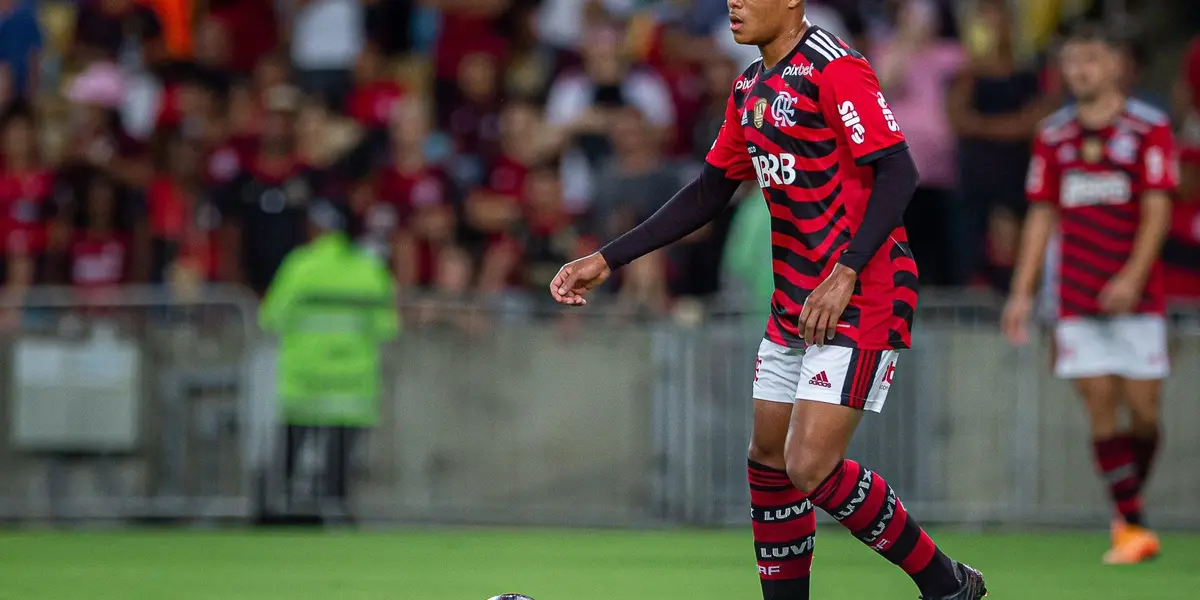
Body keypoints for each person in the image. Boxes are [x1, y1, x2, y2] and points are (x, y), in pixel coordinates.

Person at [549, 2, 986, 599]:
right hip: (795, 302)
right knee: (768, 459)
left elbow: (899, 172)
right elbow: (708, 192)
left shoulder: (836, 67)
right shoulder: (749, 87)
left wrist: (847, 271)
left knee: (810, 466)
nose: (734, 3)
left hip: (864, 292)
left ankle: (945, 585)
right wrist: (607, 258)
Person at [1001, 23, 1174, 565]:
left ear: (1116, 64)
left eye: (1092, 60)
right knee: (1100, 402)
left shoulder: (1148, 128)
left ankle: (1128, 502)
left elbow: (1157, 208)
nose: (1081, 71)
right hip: (1075, 296)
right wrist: (1022, 292)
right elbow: (1042, 213)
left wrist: (1131, 277)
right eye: (1073, 62)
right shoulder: (1054, 135)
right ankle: (1133, 527)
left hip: (1138, 298)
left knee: (1144, 416)